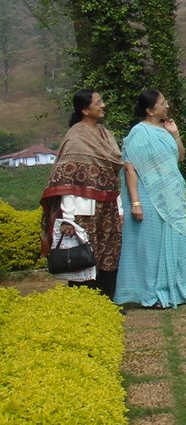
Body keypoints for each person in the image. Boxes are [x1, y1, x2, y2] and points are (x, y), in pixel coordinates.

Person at [114, 89, 186, 309]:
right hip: (148, 197)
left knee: (180, 241)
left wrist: (175, 134)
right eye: (162, 103)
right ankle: (153, 296)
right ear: (149, 110)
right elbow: (130, 170)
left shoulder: (165, 130)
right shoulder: (138, 133)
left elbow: (179, 157)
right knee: (152, 248)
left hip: (172, 197)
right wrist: (135, 203)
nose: (167, 106)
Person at [40, 89, 123, 299]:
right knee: (85, 256)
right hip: (84, 209)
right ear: (85, 110)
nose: (103, 105)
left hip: (108, 206)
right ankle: (86, 304)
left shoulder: (105, 134)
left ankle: (107, 303)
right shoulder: (75, 138)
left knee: (109, 255)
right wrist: (68, 219)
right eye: (98, 102)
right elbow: (67, 181)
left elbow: (113, 175)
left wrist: (120, 208)